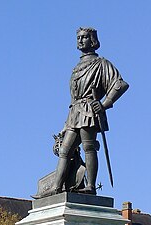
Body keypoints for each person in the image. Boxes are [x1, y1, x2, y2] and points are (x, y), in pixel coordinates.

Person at [38, 27, 129, 198]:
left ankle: (91, 186)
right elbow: (72, 101)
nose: (80, 40)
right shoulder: (76, 67)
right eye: (78, 37)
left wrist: (104, 104)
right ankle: (57, 187)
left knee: (89, 148)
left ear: (93, 40)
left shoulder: (101, 63)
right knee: (65, 150)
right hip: (75, 112)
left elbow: (120, 84)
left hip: (89, 110)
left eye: (84, 37)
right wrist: (66, 124)